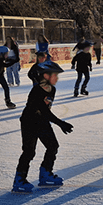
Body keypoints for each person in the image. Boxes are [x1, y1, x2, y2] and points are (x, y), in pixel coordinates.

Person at [12, 61, 73, 193]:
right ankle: (19, 180)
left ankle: (45, 174)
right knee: (29, 152)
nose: (57, 78)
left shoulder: (53, 89)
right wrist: (60, 123)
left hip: (42, 121)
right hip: (29, 122)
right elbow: (44, 110)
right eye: (54, 75)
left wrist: (57, 122)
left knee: (53, 146)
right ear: (45, 76)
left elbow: (45, 112)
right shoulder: (36, 91)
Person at [0, 46, 19, 111]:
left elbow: (6, 61)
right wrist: (14, 61)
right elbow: (5, 65)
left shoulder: (1, 58)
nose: (7, 55)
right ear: (2, 54)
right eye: (6, 54)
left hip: (0, 76)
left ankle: (8, 101)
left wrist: (13, 60)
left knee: (6, 88)